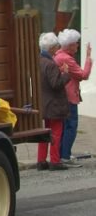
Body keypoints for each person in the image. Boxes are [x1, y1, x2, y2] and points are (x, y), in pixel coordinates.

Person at [54, 28, 92, 167]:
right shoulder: (67, 59)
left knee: (63, 127)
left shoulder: (58, 55)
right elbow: (83, 75)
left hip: (62, 97)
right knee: (71, 126)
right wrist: (88, 58)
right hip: (69, 97)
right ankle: (65, 156)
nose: (77, 45)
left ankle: (61, 154)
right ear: (70, 44)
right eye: (76, 43)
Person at [36, 33, 71, 171]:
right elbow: (56, 84)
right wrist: (66, 74)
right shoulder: (50, 64)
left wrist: (59, 72)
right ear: (51, 48)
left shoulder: (39, 61)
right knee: (56, 132)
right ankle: (55, 161)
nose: (57, 48)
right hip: (54, 105)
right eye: (56, 46)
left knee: (43, 133)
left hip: (43, 103)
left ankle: (41, 160)